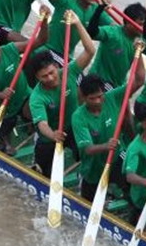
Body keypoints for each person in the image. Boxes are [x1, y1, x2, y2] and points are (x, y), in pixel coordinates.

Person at [26, 10, 97, 176]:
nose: (50, 78)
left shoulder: (68, 72)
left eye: (52, 72)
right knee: (43, 172)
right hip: (49, 135)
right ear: (37, 78)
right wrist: (53, 135)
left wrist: (78, 23)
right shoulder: (37, 97)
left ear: (57, 67)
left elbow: (90, 51)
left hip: (73, 126)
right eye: (44, 76)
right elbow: (42, 125)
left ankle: (87, 176)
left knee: (89, 153)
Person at [71, 60, 146, 201]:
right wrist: (106, 146)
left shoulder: (112, 97)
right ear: (84, 97)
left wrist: (139, 53)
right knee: (87, 201)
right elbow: (87, 149)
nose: (98, 101)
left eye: (100, 96)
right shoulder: (79, 117)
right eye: (92, 99)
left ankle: (129, 199)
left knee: (133, 173)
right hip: (93, 167)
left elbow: (139, 79)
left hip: (117, 156)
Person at [0, 17, 48, 148]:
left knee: (37, 107)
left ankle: (33, 126)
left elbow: (41, 40)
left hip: (24, 96)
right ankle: (4, 139)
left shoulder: (10, 49)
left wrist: (44, 21)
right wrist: (0, 95)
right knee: (0, 146)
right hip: (4, 108)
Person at [86, 1, 146, 91]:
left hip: (117, 86)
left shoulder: (140, 40)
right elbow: (92, 33)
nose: (143, 28)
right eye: (140, 24)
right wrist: (99, 10)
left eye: (144, 24)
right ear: (128, 23)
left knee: (126, 105)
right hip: (98, 80)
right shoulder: (113, 33)